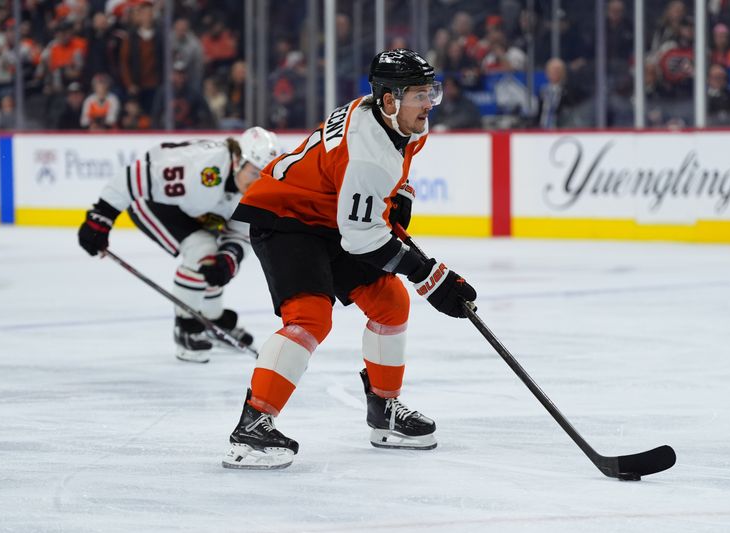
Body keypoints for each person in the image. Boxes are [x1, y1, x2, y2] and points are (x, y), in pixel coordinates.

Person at [222, 49, 477, 470]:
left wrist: (400, 198)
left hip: (332, 216)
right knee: (309, 317)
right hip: (287, 216)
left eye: (432, 90)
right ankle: (252, 427)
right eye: (420, 93)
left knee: (390, 303)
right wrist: (431, 277)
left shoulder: (397, 119)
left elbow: (393, 173)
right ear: (390, 99)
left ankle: (384, 410)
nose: (429, 102)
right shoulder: (366, 152)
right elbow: (362, 238)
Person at [77, 128, 281, 363]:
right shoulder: (201, 167)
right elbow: (134, 176)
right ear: (237, 160)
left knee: (216, 261)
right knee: (201, 249)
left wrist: (229, 258)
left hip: (194, 211)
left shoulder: (255, 186)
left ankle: (212, 319)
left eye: (263, 175)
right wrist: (101, 218)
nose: (258, 181)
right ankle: (185, 328)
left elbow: (241, 231)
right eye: (254, 172)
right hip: (154, 203)